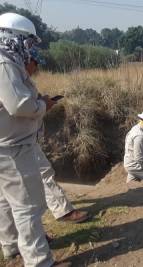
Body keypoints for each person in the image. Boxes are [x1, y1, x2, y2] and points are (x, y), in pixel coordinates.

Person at [0, 12, 69, 266]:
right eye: (27, 42)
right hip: (13, 148)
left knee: (6, 201)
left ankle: (11, 246)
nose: (29, 49)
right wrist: (43, 105)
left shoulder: (8, 62)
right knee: (27, 205)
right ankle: (39, 261)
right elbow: (19, 106)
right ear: (14, 37)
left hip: (5, 145)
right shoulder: (4, 63)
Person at [25, 48, 89, 224]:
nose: (36, 68)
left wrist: (40, 101)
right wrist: (43, 105)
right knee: (43, 172)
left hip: (17, 139)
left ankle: (13, 242)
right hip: (20, 140)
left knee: (9, 189)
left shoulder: (16, 78)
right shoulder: (10, 77)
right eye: (35, 63)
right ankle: (63, 211)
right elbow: (21, 108)